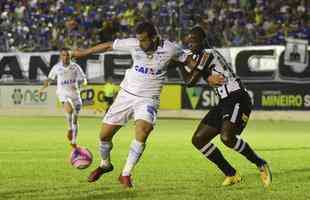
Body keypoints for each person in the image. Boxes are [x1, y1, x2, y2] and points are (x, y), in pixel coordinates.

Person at [71, 21, 202, 188]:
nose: (140, 44)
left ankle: (126, 174)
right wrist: (84, 52)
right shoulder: (134, 44)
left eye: (144, 40)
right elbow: (108, 46)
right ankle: (105, 164)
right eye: (139, 40)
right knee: (104, 136)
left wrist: (207, 75)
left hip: (148, 98)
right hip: (126, 95)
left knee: (143, 130)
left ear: (154, 37)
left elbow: (190, 61)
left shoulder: (170, 49)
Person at [180, 26, 272, 187]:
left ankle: (260, 163)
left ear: (203, 41)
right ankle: (231, 173)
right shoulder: (202, 55)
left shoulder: (207, 54)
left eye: (194, 41)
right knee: (198, 139)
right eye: (189, 42)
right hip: (224, 101)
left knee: (227, 138)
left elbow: (190, 81)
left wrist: (179, 63)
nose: (191, 45)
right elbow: (195, 75)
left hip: (237, 98)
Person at [39, 48, 87, 148]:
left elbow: (84, 79)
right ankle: (69, 128)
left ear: (70, 56)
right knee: (70, 109)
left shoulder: (75, 67)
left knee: (75, 118)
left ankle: (74, 141)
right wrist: (42, 89)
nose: (65, 57)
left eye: (67, 55)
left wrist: (82, 84)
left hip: (75, 94)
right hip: (63, 93)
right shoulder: (56, 67)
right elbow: (49, 79)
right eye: (63, 55)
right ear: (61, 56)